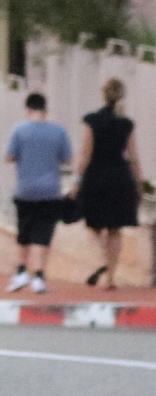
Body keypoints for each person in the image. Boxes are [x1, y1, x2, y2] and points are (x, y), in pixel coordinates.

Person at [79, 78, 144, 289]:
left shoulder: (92, 121)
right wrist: (139, 183)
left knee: (94, 224)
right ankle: (111, 277)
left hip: (96, 176)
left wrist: (78, 180)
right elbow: (133, 156)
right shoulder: (126, 124)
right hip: (120, 176)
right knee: (115, 229)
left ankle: (101, 260)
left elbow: (86, 153)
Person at [4, 92, 71, 294]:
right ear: (45, 110)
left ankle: (21, 271)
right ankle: (39, 276)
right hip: (50, 191)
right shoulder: (58, 132)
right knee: (43, 233)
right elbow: (67, 159)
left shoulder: (19, 130)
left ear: (27, 110)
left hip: (25, 189)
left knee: (24, 232)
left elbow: (9, 156)